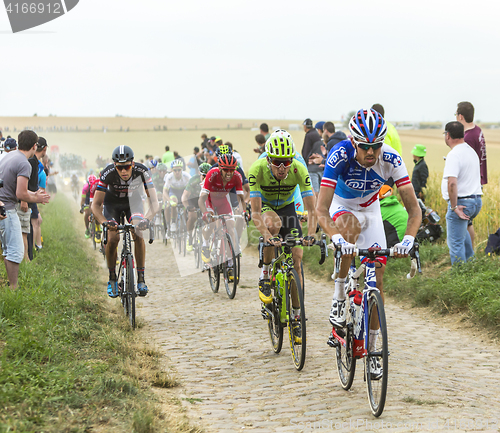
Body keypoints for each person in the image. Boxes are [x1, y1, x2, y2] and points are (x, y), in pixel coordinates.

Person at [316, 109, 421, 376]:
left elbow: (414, 210)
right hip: (342, 205)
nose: (371, 152)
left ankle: (374, 349)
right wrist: (337, 238)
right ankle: (340, 295)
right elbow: (321, 210)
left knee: (377, 278)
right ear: (354, 142)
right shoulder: (339, 154)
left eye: (376, 146)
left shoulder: (391, 159)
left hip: (371, 209)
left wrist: (408, 240)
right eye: (365, 147)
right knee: (348, 230)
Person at [249, 130, 317, 306]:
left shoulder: (299, 169)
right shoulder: (257, 169)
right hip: (266, 205)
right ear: (268, 160)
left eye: (286, 162)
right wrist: (268, 236)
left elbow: (312, 208)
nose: (282, 168)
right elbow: (255, 212)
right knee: (274, 225)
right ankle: (265, 274)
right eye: (277, 162)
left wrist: (310, 233)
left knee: (297, 258)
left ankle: (296, 316)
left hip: (287, 206)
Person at [91, 145, 159, 298]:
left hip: (132, 203)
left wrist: (146, 219)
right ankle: (112, 278)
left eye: (127, 167)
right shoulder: (107, 173)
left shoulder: (142, 171)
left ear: (132, 164)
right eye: (119, 167)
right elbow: (95, 205)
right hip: (112, 204)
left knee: (138, 230)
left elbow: (154, 202)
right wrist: (104, 223)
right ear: (114, 165)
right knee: (113, 238)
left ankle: (141, 278)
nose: (123, 171)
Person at [0, 130, 50, 288]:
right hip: (7, 209)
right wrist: (37, 197)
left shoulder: (10, 155)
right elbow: (20, 193)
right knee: (15, 250)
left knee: (8, 249)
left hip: (2, 205)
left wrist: (33, 194)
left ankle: (10, 285)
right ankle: (14, 288)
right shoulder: (24, 163)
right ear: (34, 146)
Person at [199, 153, 246, 282]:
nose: (229, 173)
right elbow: (201, 199)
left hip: (222, 201)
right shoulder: (212, 174)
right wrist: (205, 213)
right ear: (220, 168)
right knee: (212, 222)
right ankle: (205, 244)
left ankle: (230, 263)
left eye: (232, 169)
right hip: (208, 200)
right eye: (226, 170)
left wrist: (243, 213)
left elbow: (241, 199)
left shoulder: (237, 176)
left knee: (231, 227)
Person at [441, 121, 482, 265]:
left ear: (448, 135)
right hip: (476, 200)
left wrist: (454, 206)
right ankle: (470, 268)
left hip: (462, 203)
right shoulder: (471, 151)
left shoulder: (454, 154)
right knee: (464, 240)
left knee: (455, 243)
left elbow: (452, 183)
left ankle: (459, 275)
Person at [182, 162, 212, 251]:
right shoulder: (193, 180)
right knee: (192, 217)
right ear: (199, 174)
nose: (205, 178)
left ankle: (206, 241)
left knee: (209, 218)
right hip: (193, 200)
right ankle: (189, 237)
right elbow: (184, 196)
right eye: (203, 176)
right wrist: (187, 207)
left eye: (208, 176)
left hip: (204, 200)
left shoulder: (211, 181)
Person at [163, 159, 191, 238]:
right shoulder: (169, 177)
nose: (177, 172)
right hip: (173, 192)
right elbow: (165, 191)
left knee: (186, 206)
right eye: (175, 170)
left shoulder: (187, 176)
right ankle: (173, 222)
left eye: (179, 170)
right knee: (173, 202)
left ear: (182, 169)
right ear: (172, 170)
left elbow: (192, 188)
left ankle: (185, 227)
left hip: (183, 192)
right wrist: (169, 201)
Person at [301, 118, 323, 199]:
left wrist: (305, 164)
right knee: (321, 190)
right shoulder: (317, 134)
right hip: (321, 165)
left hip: (312, 166)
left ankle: (316, 209)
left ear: (305, 126)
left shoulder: (309, 135)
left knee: (314, 190)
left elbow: (305, 152)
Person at [80, 174, 98, 238]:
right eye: (91, 185)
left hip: (95, 197)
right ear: (88, 183)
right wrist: (82, 206)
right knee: (87, 213)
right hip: (87, 199)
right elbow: (83, 199)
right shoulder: (85, 187)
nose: (92, 186)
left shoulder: (98, 185)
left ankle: (98, 225)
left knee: (98, 211)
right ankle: (87, 229)